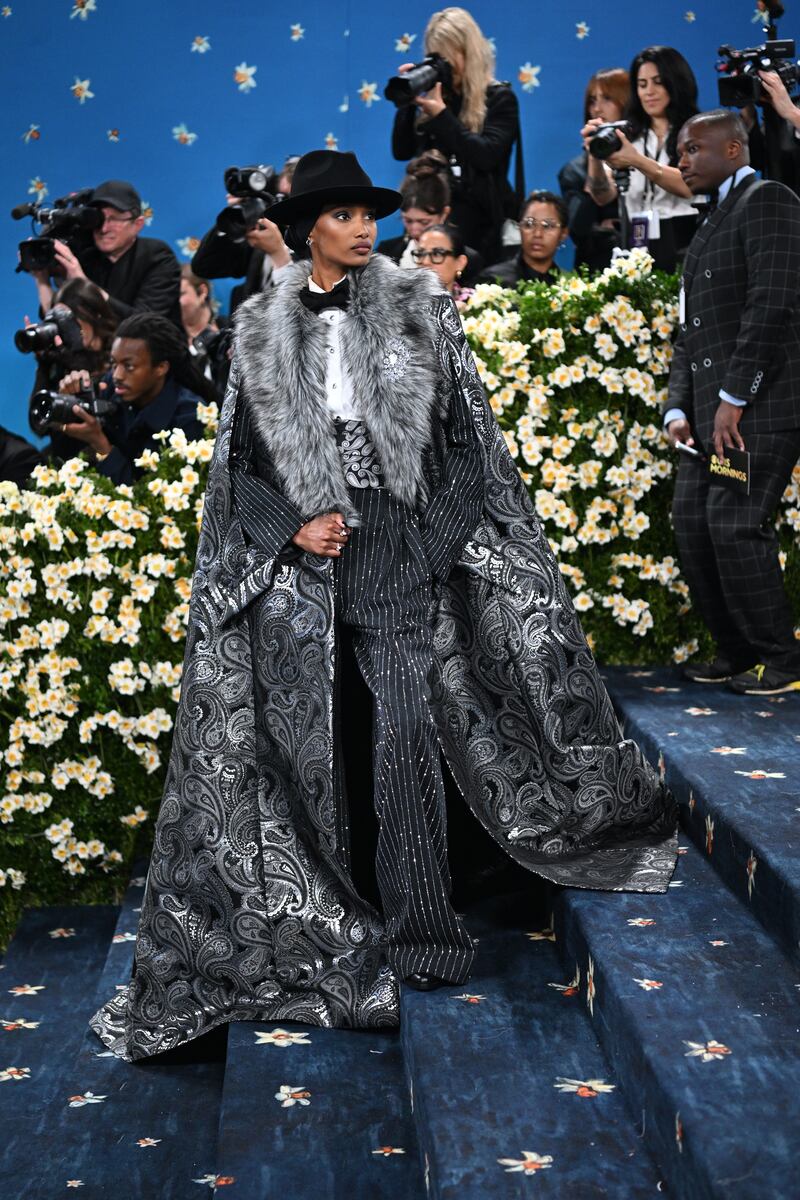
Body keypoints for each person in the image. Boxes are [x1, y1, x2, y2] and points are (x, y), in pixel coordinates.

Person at [87, 148, 676, 1063]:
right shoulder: (262, 323)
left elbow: (468, 449)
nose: (367, 227)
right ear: (309, 227)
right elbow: (239, 468)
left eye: (373, 213)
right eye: (348, 215)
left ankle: (425, 934)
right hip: (301, 576)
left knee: (405, 732)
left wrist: (423, 554)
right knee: (312, 749)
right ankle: (326, 916)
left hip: (398, 551)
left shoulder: (419, 304)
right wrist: (293, 528)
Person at [664, 109, 800, 695]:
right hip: (709, 414)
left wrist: (732, 398)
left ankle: (785, 660)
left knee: (734, 522)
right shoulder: (715, 216)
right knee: (694, 523)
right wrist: (677, 407)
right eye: (680, 150)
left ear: (735, 148)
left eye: (693, 149)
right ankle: (740, 650)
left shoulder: (769, 200)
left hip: (760, 406)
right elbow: (688, 330)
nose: (683, 161)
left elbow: (770, 305)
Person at [391, 6, 523, 264]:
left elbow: (486, 155)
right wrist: (408, 103)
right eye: (437, 58)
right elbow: (401, 151)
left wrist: (441, 116)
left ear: (469, 54)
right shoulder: (434, 97)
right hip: (432, 226)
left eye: (450, 58)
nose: (445, 67)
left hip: (481, 229)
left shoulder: (499, 98)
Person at [56, 312, 214, 485]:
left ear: (161, 367)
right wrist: (68, 411)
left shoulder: (190, 417)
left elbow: (152, 500)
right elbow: (64, 460)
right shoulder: (111, 387)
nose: (117, 375)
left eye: (129, 366)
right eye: (114, 364)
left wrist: (101, 445)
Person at [581, 46, 699, 273]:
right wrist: (594, 156)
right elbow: (602, 195)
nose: (649, 92)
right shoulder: (628, 136)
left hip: (684, 237)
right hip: (636, 241)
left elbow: (688, 186)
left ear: (676, 83)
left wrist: (637, 160)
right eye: (642, 84)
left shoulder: (696, 131)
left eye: (658, 82)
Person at [30, 180, 182, 327]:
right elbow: (65, 324)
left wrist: (84, 285)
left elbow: (144, 325)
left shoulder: (157, 256)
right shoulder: (87, 257)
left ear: (138, 224)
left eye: (114, 219)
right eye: (99, 219)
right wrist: (41, 280)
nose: (104, 228)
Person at [191, 155, 298, 315]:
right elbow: (204, 267)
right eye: (279, 197)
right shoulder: (263, 233)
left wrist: (278, 253)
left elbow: (304, 308)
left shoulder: (324, 246)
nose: (281, 205)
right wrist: (243, 212)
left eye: (288, 199)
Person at [24, 278, 117, 461]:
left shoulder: (120, 359)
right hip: (68, 470)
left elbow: (111, 425)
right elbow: (39, 426)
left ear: (95, 315)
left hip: (111, 464)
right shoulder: (60, 361)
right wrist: (44, 365)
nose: (64, 327)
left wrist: (76, 364)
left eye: (69, 320)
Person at [559, 67, 631, 273]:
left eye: (607, 98)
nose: (597, 108)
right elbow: (578, 230)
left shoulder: (646, 159)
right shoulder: (574, 170)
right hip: (596, 268)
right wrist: (595, 156)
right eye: (592, 100)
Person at [375, 149, 453, 267]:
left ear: (444, 214)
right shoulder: (385, 253)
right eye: (408, 220)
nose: (414, 229)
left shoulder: (466, 257)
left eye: (424, 222)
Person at [480, 191, 568, 285]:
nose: (537, 234)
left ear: (563, 233)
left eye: (548, 226)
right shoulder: (492, 281)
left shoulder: (570, 287)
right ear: (519, 228)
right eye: (529, 224)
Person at [179, 264, 224, 382]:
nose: (174, 300)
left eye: (180, 294)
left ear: (202, 292)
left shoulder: (229, 330)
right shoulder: (172, 339)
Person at [413, 222, 470, 299]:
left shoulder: (478, 303)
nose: (425, 262)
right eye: (420, 254)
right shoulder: (400, 303)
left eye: (437, 254)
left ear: (460, 263)